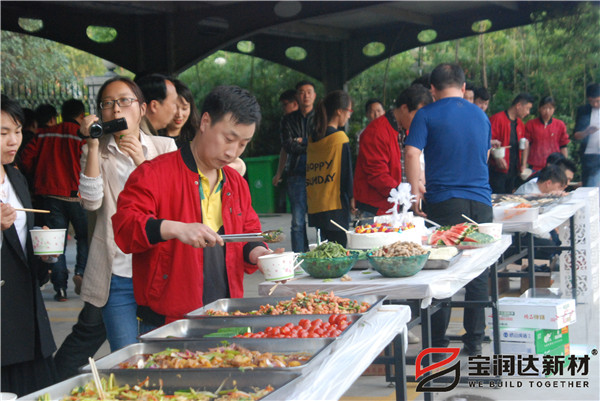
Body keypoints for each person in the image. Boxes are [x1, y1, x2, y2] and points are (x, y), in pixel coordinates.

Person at [112, 85, 275, 330]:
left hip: (227, 314)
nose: (232, 152)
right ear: (205, 122)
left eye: (243, 144)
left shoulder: (235, 183)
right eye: (228, 139)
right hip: (168, 321)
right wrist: (175, 228)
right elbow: (125, 228)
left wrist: (259, 254)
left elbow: (249, 233)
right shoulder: (154, 173)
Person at [77, 76, 177, 351]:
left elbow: (171, 205)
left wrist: (142, 163)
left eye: (124, 101)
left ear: (142, 109)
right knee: (126, 355)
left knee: (160, 355)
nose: (116, 109)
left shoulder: (164, 148)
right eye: (108, 103)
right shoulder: (94, 151)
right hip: (117, 274)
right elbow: (91, 202)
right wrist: (93, 145)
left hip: (158, 271)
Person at [405, 63, 492, 357]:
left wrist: (415, 191)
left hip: (445, 202)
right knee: (477, 270)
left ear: (432, 89)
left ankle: (437, 344)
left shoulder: (426, 114)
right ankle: (475, 341)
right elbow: (485, 154)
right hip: (481, 202)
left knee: (442, 270)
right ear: (464, 87)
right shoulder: (480, 115)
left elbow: (412, 152)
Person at [1, 96, 58, 396]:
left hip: (27, 310)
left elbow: (22, 242)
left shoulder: (15, 176)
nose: (13, 141)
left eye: (17, 131)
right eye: (3, 133)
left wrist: (44, 252)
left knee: (37, 390)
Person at [20, 99, 90, 300]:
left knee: (55, 243)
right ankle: (81, 273)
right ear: (81, 116)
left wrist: (39, 176)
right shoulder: (82, 136)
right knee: (84, 238)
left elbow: (26, 159)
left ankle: (60, 288)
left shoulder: (44, 134)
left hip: (51, 195)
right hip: (77, 196)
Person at [354, 84, 433, 218]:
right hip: (376, 208)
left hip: (398, 205)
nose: (421, 122)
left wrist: (417, 186)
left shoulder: (406, 129)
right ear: (404, 108)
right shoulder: (376, 131)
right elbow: (377, 175)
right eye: (417, 116)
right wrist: (407, 195)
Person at [306, 90, 354, 246]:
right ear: (339, 111)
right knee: (339, 250)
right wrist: (352, 197)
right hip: (335, 205)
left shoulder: (313, 138)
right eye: (349, 111)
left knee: (326, 249)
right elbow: (346, 173)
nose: (349, 116)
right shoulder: (339, 138)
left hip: (317, 204)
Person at [280, 81, 317, 252]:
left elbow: (324, 142)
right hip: (296, 172)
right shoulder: (288, 120)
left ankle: (323, 256)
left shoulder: (320, 117)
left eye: (309, 92)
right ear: (297, 96)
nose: (306, 95)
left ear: (314, 95)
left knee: (320, 217)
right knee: (297, 220)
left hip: (319, 171)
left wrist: (302, 140)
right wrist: (311, 145)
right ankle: (300, 257)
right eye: (302, 92)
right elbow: (288, 145)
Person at [489, 93, 535, 193]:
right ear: (518, 105)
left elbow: (524, 145)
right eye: (527, 109)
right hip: (497, 171)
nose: (528, 112)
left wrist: (523, 164)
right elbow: (487, 142)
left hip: (513, 171)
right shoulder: (497, 119)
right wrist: (497, 157)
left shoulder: (520, 124)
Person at [524, 96, 569, 173]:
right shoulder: (531, 124)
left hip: (554, 165)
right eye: (544, 108)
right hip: (535, 166)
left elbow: (563, 146)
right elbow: (526, 146)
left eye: (550, 108)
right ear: (539, 109)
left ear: (554, 109)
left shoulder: (560, 125)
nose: (547, 111)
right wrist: (524, 164)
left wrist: (565, 166)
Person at [272, 89, 299, 213]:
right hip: (294, 171)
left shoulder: (312, 119)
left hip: (311, 171)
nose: (283, 108)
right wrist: (279, 173)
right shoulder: (286, 122)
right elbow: (285, 148)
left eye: (285, 104)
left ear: (295, 104)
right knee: (297, 214)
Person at [573, 83, 600, 188]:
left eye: (598, 101)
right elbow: (576, 135)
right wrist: (586, 132)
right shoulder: (583, 111)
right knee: (589, 185)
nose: (595, 104)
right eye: (592, 101)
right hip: (590, 155)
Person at [165, 78, 200, 148]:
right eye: (174, 108)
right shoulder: (152, 136)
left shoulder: (197, 136)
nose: (179, 114)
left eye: (184, 108)